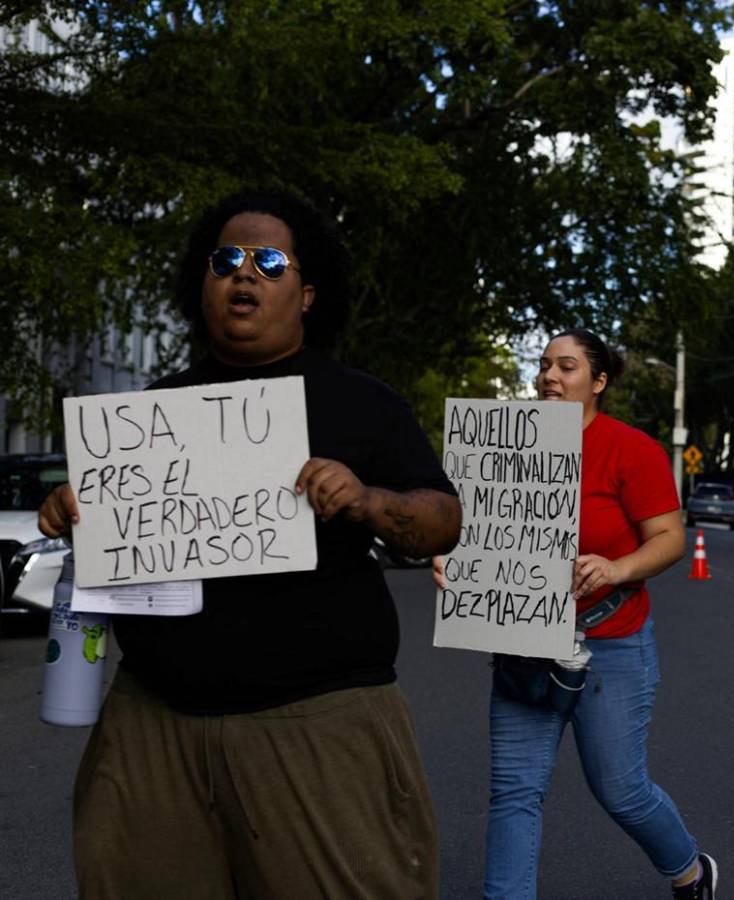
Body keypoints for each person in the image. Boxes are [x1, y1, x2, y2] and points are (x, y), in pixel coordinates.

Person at [38, 189, 462, 900]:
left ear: (307, 294)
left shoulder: (362, 402)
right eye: (226, 259)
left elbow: (443, 518)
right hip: (153, 726)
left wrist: (368, 500)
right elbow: (110, 542)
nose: (245, 275)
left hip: (315, 729)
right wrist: (68, 510)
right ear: (201, 282)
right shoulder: (145, 414)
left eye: (269, 262)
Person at [434, 328, 716, 900]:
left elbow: (668, 538)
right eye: (544, 366)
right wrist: (451, 561)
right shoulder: (507, 444)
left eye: (566, 367)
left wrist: (618, 568)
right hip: (524, 639)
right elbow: (476, 531)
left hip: (611, 640)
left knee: (621, 789)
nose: (549, 377)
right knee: (514, 790)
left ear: (599, 381)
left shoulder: (632, 449)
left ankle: (689, 870)